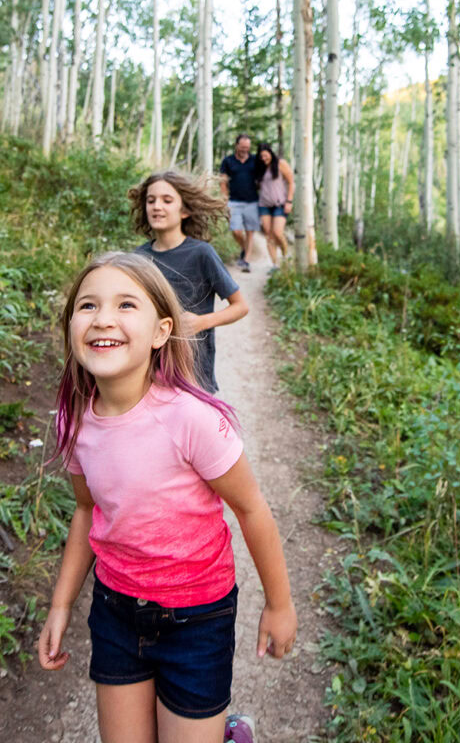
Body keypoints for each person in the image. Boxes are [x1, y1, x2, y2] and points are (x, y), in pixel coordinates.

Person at [37, 252, 296, 743]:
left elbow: (250, 507)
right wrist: (61, 605)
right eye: (87, 306)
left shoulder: (191, 419)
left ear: (160, 332)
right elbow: (87, 510)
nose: (103, 318)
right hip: (115, 612)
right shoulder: (72, 421)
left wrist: (279, 605)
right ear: (71, 325)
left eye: (126, 305)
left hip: (198, 620)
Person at [128, 170, 248, 393]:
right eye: (151, 200)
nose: (156, 206)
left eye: (167, 200)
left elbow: (240, 307)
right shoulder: (138, 257)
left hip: (194, 372)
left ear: (184, 211)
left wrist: (202, 322)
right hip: (149, 371)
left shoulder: (202, 253)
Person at [217, 134, 258, 272]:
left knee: (250, 232)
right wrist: (224, 199)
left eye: (247, 147)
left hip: (252, 201)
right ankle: (245, 248)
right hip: (234, 201)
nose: (245, 149)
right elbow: (223, 181)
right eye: (242, 147)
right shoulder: (228, 161)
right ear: (236, 145)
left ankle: (246, 260)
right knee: (236, 231)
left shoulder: (254, 160)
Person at [252, 143, 294, 272]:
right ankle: (275, 265)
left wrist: (289, 201)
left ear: (270, 153)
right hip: (264, 205)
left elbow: (291, 181)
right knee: (269, 235)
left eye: (265, 155)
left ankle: (286, 254)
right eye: (261, 157)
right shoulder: (260, 168)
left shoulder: (281, 164)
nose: (264, 158)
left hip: (280, 204)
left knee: (277, 232)